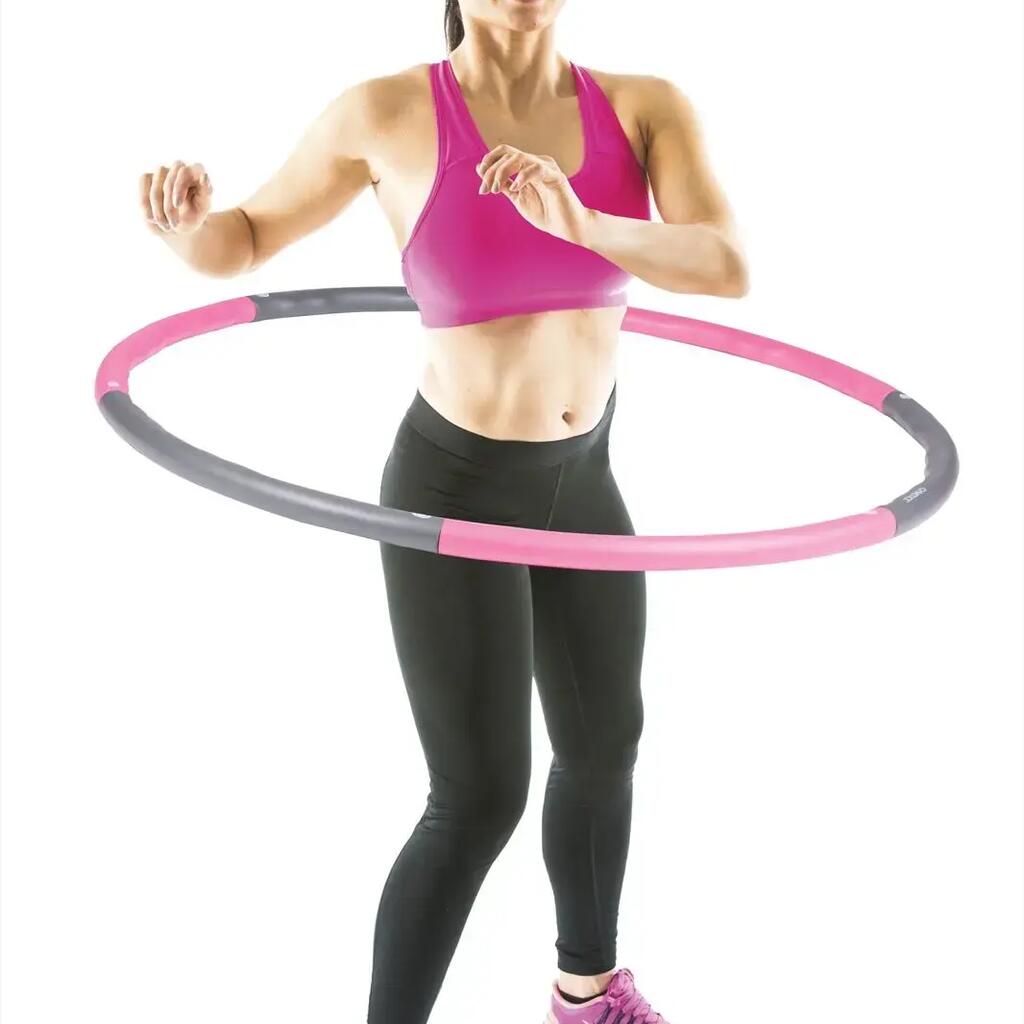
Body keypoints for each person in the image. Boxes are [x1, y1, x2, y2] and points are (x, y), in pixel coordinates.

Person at [137, 1, 748, 1020]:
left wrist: (585, 222)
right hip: (453, 489)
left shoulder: (646, 108)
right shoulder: (383, 114)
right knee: (478, 797)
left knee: (605, 747)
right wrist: (188, 228)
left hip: (582, 480)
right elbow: (240, 241)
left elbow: (725, 266)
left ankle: (587, 996)